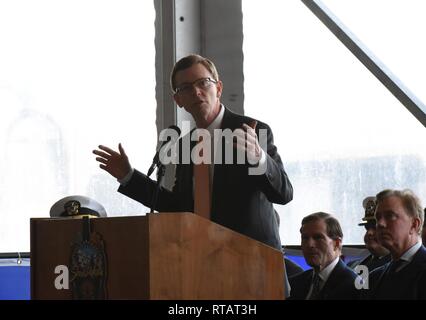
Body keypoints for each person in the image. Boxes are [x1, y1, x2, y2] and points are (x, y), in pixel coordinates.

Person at [92, 54, 293, 251]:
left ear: (219, 88)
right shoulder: (185, 145)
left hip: (254, 262)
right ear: (178, 99)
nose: (196, 92)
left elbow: (284, 194)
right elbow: (179, 207)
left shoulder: (252, 131)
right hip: (201, 259)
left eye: (204, 83)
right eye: (186, 88)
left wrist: (258, 158)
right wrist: (129, 176)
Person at [367, 189, 426, 300]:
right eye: (378, 218)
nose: (380, 224)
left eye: (390, 216)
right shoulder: (374, 278)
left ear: (414, 224)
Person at [288, 212, 359, 300]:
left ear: (336, 243)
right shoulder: (295, 283)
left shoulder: (353, 285)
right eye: (305, 238)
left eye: (318, 237)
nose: (309, 244)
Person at [348, 196, 390, 271]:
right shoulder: (353, 266)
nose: (369, 233)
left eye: (375, 227)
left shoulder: (398, 267)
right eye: (367, 227)